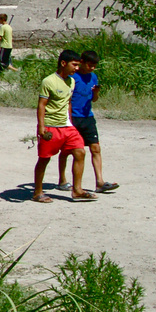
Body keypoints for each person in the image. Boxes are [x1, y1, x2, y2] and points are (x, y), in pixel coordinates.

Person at [33, 49, 93, 203]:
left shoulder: (71, 81)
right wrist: (41, 127)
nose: (77, 68)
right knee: (44, 159)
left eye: (78, 65)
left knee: (80, 152)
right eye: (74, 65)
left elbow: (68, 103)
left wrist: (71, 123)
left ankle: (77, 190)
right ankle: (38, 192)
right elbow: (41, 105)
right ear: (63, 63)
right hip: (51, 126)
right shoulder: (49, 81)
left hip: (67, 126)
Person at [57, 49, 118, 193]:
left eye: (94, 66)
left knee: (95, 148)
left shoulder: (93, 77)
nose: (92, 68)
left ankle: (100, 182)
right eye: (90, 65)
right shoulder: (72, 78)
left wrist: (96, 92)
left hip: (88, 117)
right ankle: (62, 180)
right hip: (73, 118)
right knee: (67, 150)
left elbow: (93, 99)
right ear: (82, 62)